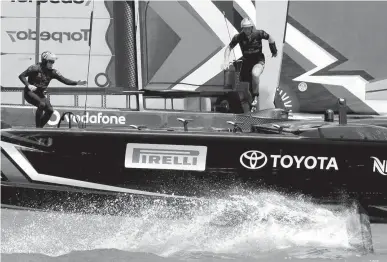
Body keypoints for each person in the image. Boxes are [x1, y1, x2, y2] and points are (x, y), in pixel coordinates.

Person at [19, 51, 87, 128]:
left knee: (50, 110)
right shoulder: (35, 68)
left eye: (53, 62)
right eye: (50, 62)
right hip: (29, 93)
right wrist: (28, 85)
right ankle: (38, 129)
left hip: (40, 94)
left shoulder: (53, 72)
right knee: (41, 104)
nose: (52, 64)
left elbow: (65, 80)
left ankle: (40, 128)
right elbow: (21, 76)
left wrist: (77, 83)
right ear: (44, 61)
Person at [222, 17, 278, 112]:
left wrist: (273, 50)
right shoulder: (238, 37)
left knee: (255, 73)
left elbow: (270, 38)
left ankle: (256, 96)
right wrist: (226, 60)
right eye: (245, 28)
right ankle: (251, 103)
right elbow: (228, 48)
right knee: (243, 87)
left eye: (248, 28)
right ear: (242, 29)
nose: (247, 30)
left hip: (258, 61)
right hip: (246, 62)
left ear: (251, 27)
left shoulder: (259, 33)